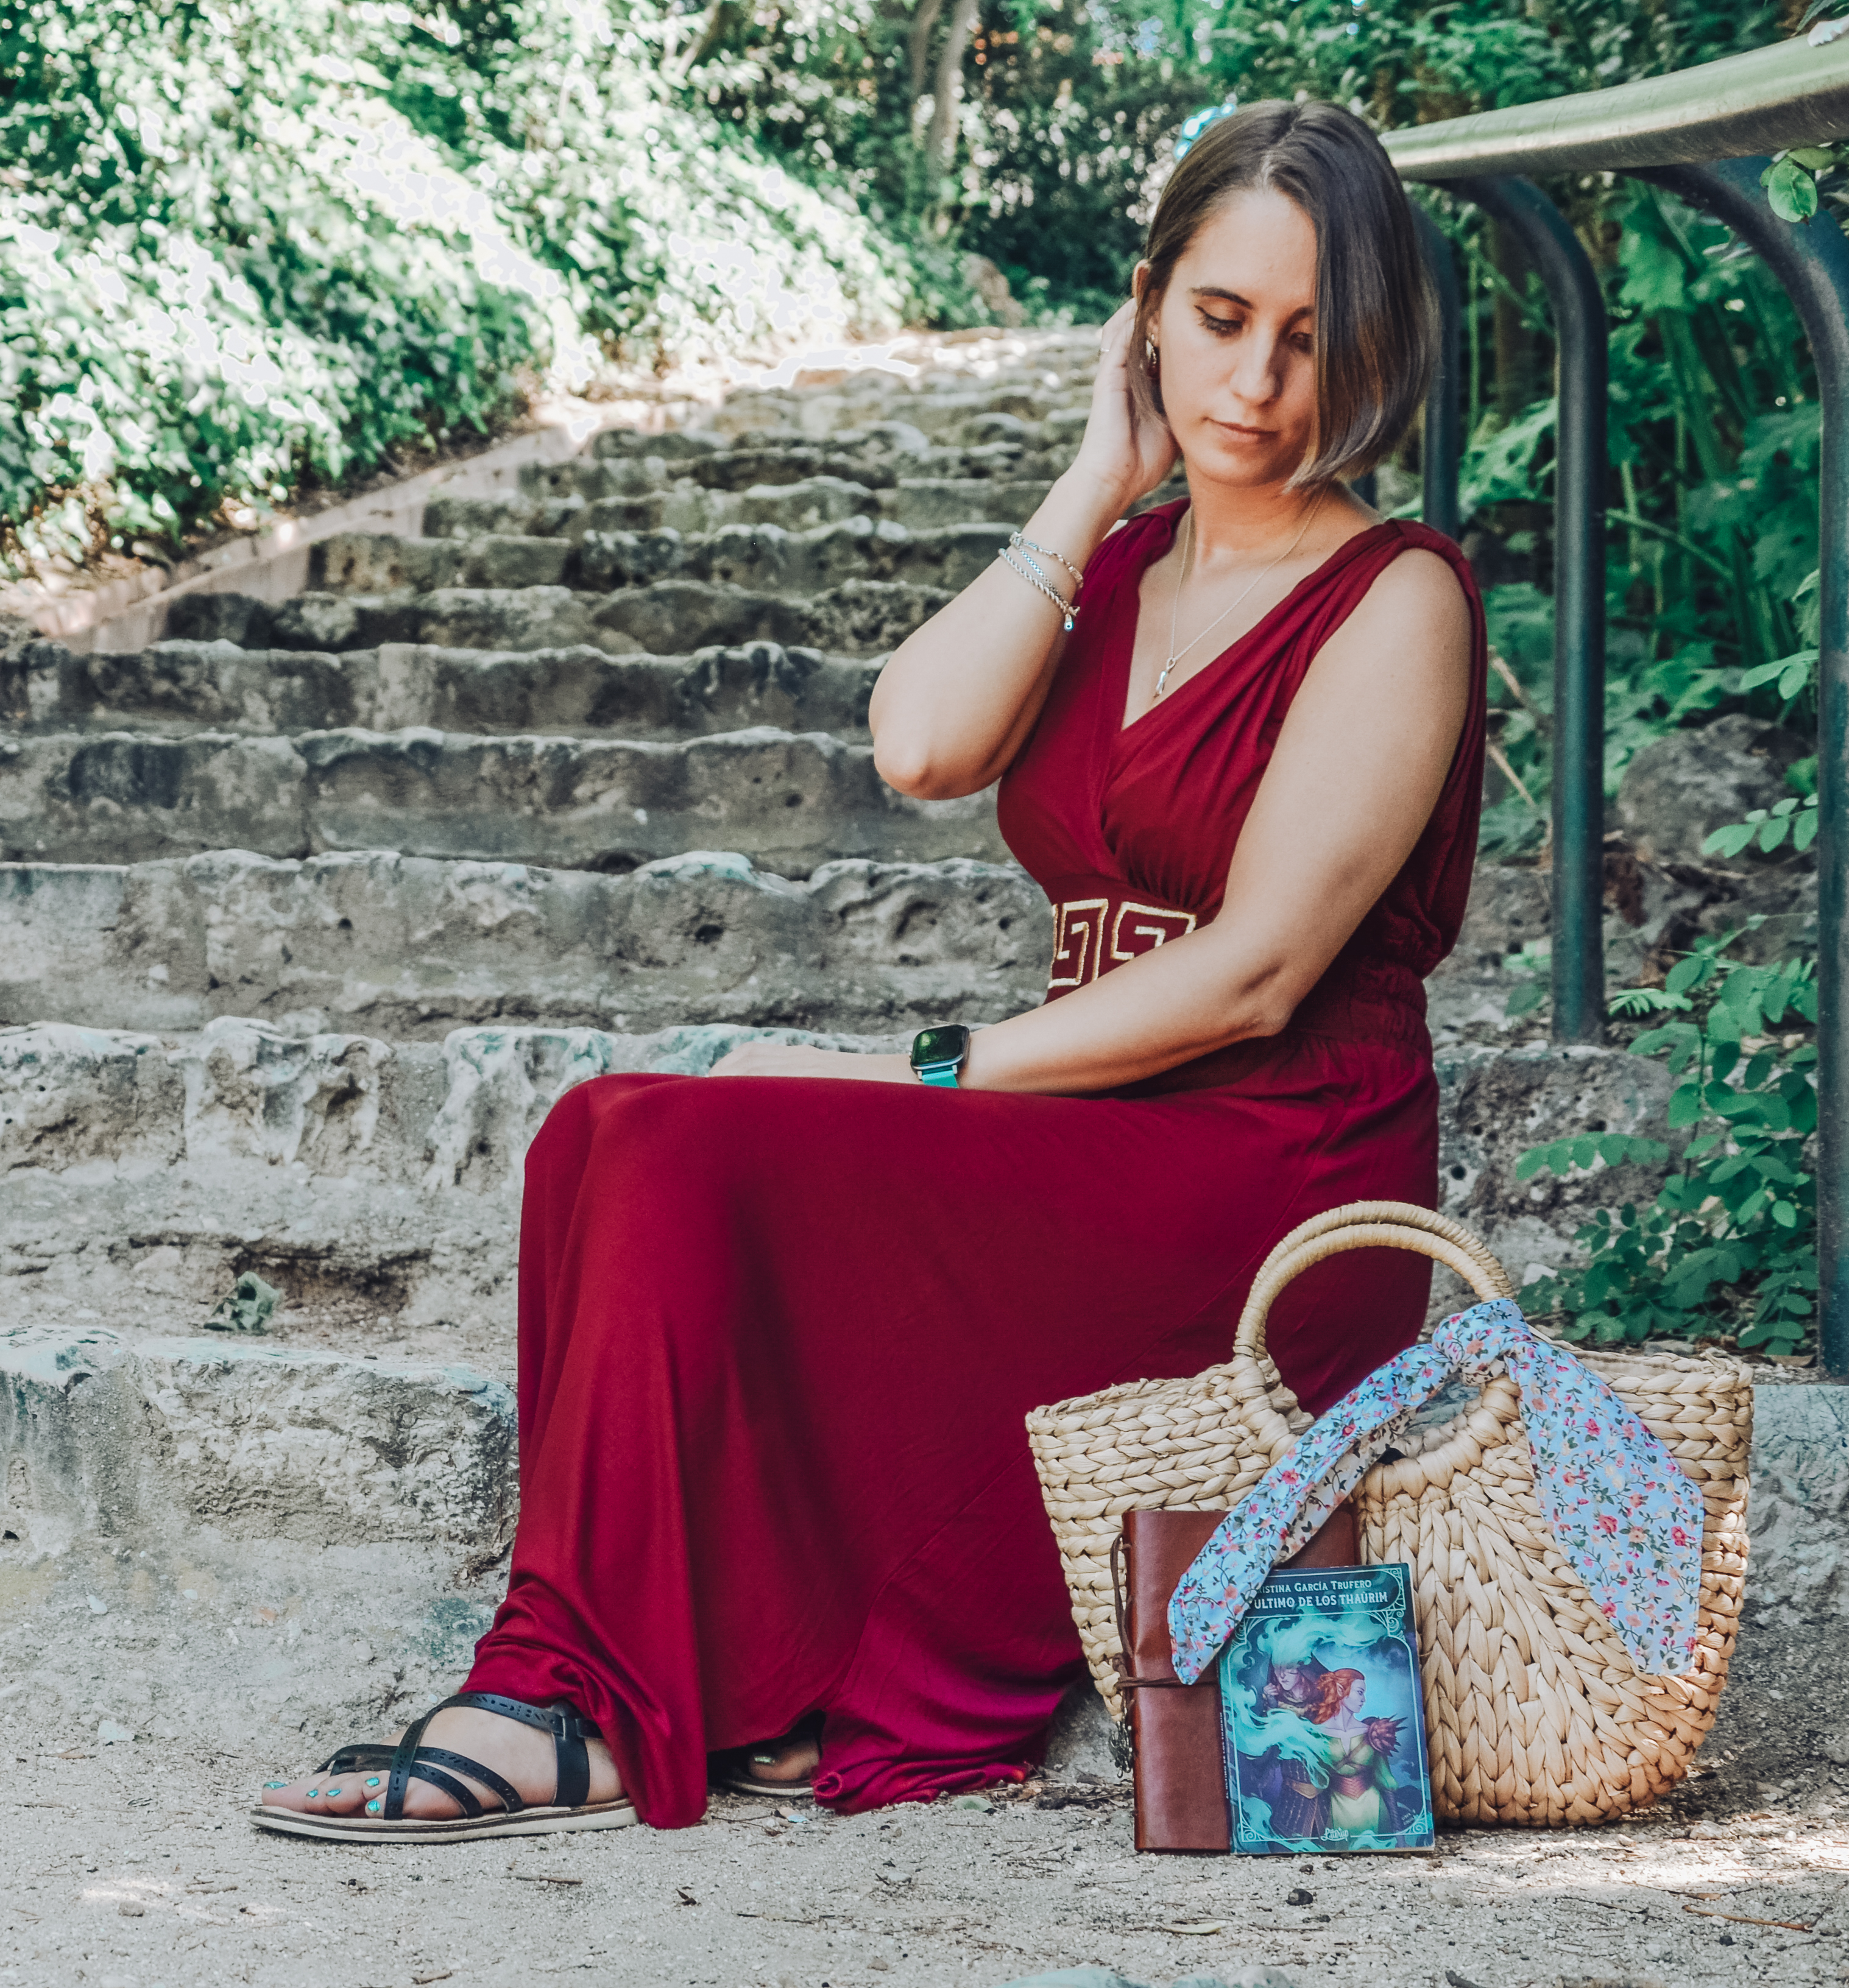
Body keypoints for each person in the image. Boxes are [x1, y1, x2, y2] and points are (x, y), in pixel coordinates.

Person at [252, 96, 1485, 1843]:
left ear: (1368, 353)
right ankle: (634, 1674)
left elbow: (1256, 978)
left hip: (1273, 1173)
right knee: (600, 1127)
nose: (1261, 385)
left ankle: (560, 1700)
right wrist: (1091, 479)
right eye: (1219, 321)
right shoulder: (1127, 559)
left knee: (692, 1139)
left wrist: (912, 1067)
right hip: (1105, 1128)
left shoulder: (1396, 595)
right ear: (1148, 310)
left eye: (1311, 339)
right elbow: (918, 743)